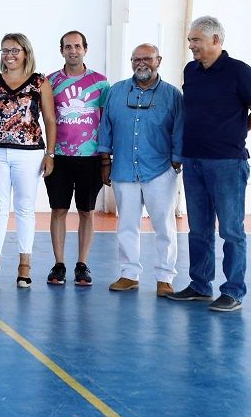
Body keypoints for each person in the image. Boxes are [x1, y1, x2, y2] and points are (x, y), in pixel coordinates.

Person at [168, 16, 251, 312]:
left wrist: (238, 130)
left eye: (196, 40)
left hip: (227, 163)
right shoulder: (191, 71)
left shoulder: (239, 72)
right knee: (199, 229)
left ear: (216, 40)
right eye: (190, 40)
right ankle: (200, 285)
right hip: (194, 161)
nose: (191, 46)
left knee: (231, 230)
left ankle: (233, 291)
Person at [97, 44, 183, 296]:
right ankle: (128, 274)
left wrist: (176, 161)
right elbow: (106, 127)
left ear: (159, 60)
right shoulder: (116, 91)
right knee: (127, 225)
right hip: (123, 169)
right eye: (136, 59)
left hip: (160, 171)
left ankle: (165, 278)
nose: (141, 63)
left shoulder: (172, 95)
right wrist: (105, 161)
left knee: (164, 226)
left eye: (147, 58)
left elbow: (180, 128)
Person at [0, 33, 56, 288]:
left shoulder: (39, 82)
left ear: (26, 53)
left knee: (25, 208)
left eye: (14, 50)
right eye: (5, 50)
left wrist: (50, 154)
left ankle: (24, 265)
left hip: (29, 153)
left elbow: (50, 120)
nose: (9, 55)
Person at [44, 30, 110, 287]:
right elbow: (47, 118)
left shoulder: (101, 83)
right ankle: (59, 263)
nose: (73, 50)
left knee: (86, 211)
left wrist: (106, 159)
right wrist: (48, 153)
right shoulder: (49, 82)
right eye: (68, 46)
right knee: (58, 209)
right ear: (61, 50)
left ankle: (82, 264)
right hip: (59, 156)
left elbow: (105, 122)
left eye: (77, 46)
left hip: (90, 157)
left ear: (85, 48)